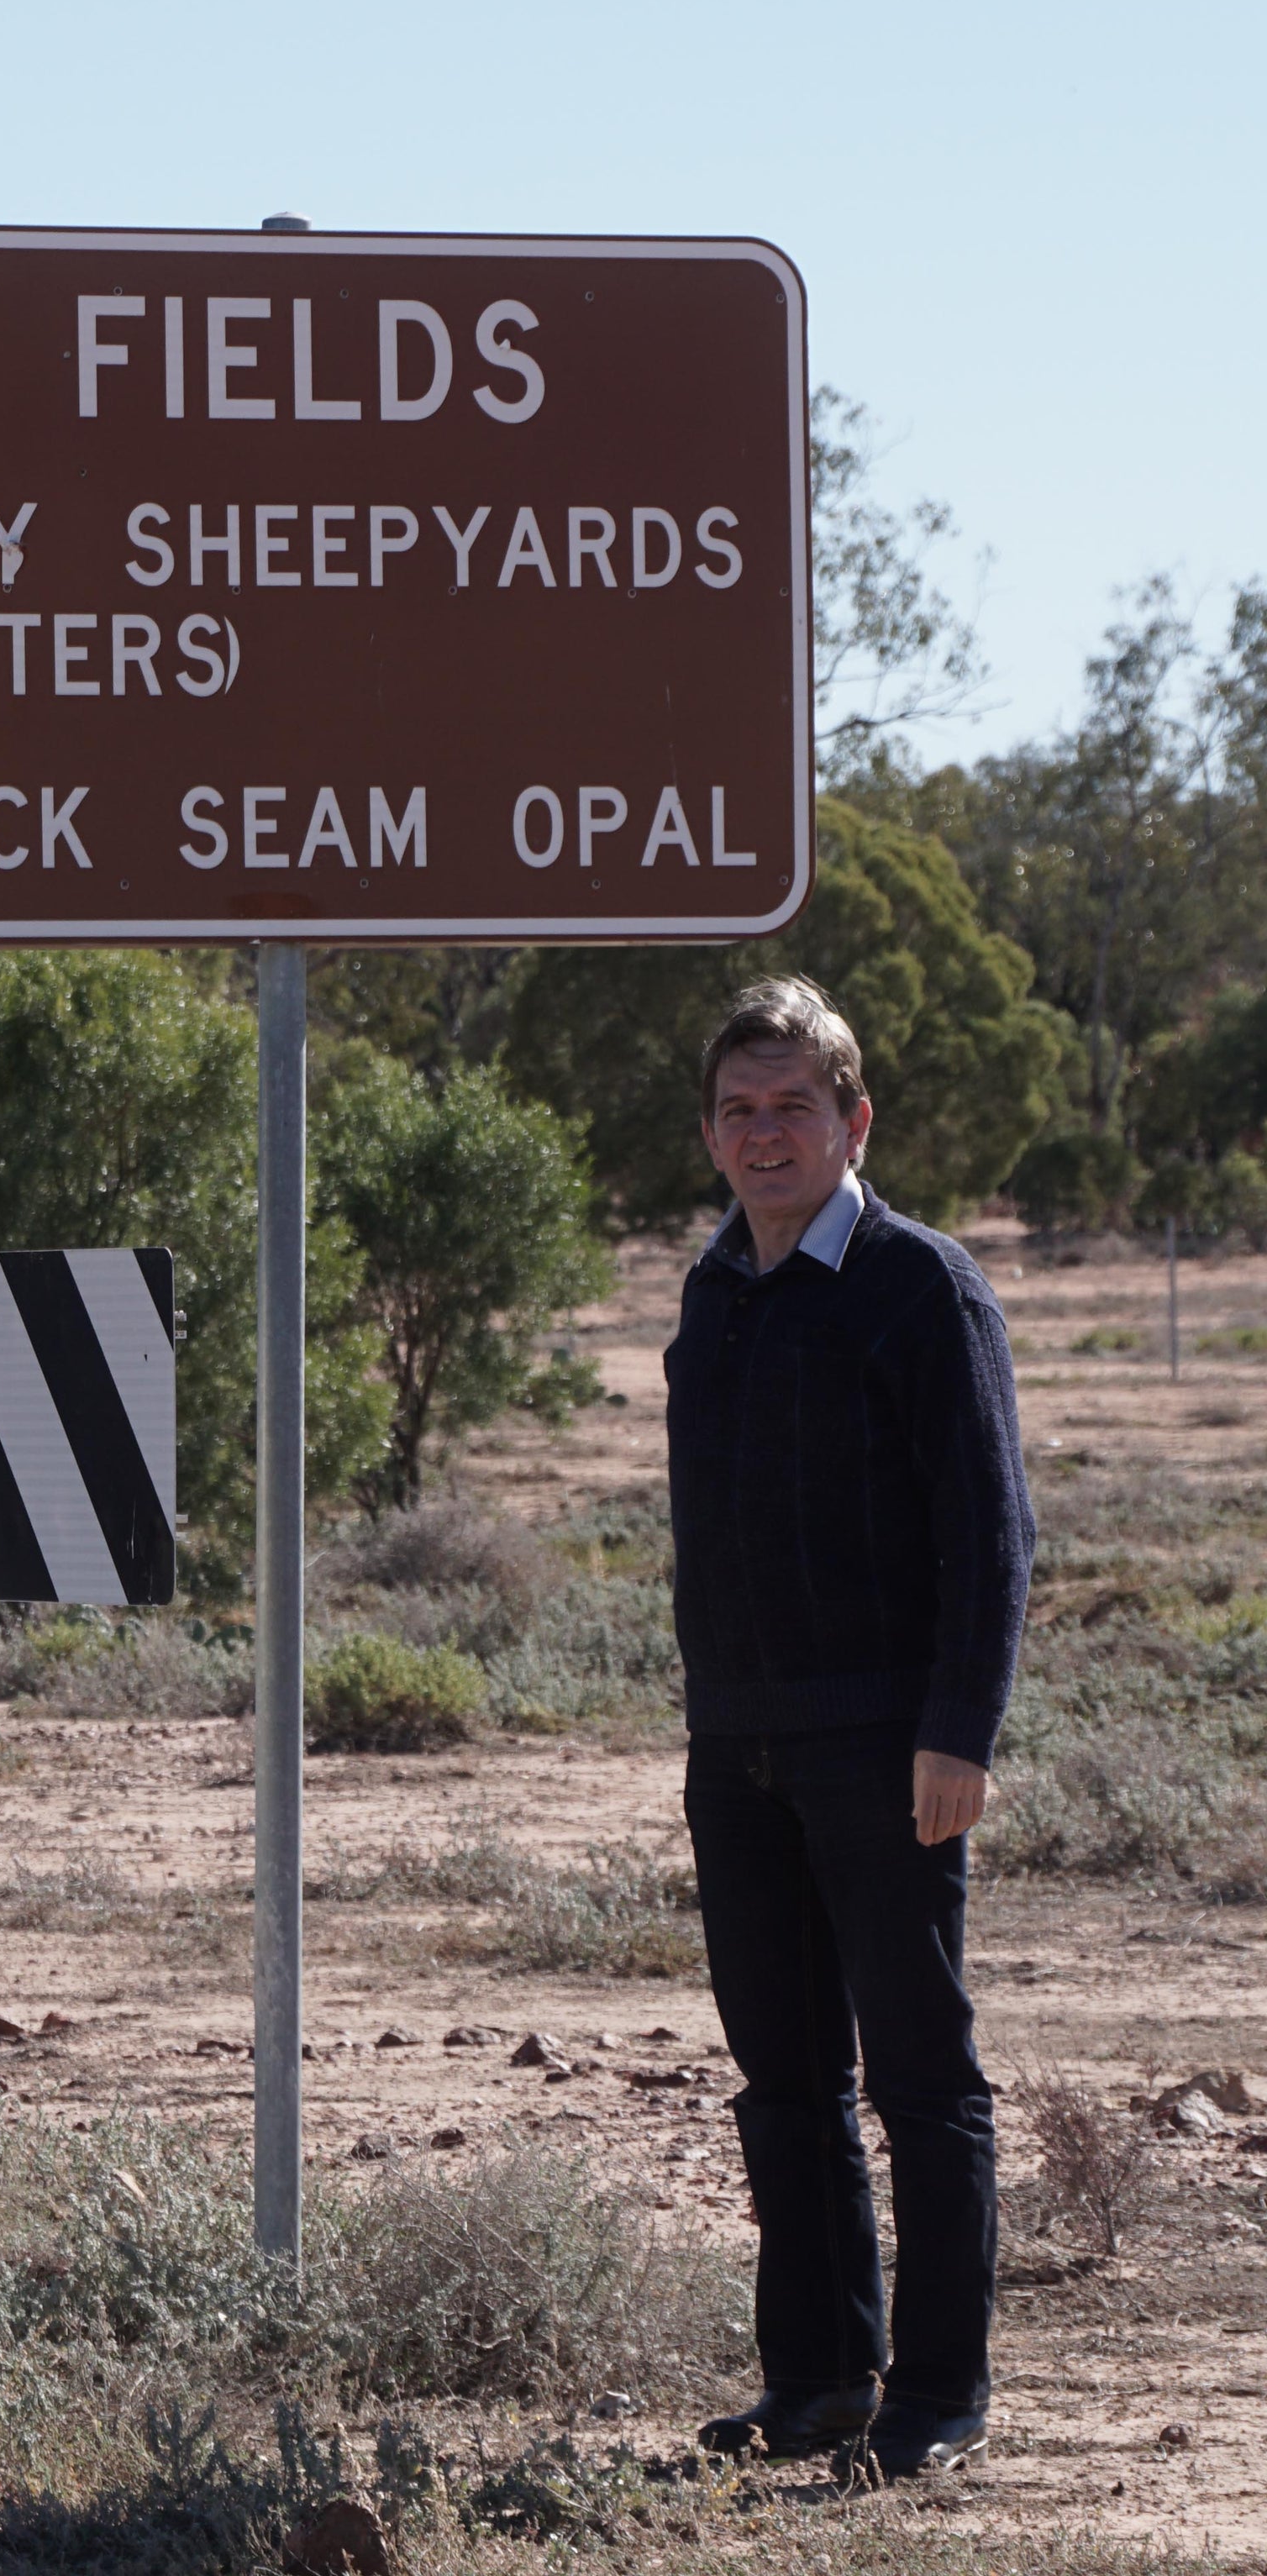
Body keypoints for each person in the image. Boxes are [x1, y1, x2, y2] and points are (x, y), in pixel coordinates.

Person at [668, 976, 1032, 2480]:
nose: (768, 1135)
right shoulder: (716, 1289)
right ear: (711, 1133)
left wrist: (961, 1729)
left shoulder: (918, 1283)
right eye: (742, 1111)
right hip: (740, 1749)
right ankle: (818, 2378)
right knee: (784, 2084)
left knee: (923, 2082)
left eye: (794, 1108)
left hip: (888, 1751)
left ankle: (939, 2398)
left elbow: (990, 1527)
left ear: (852, 1120)